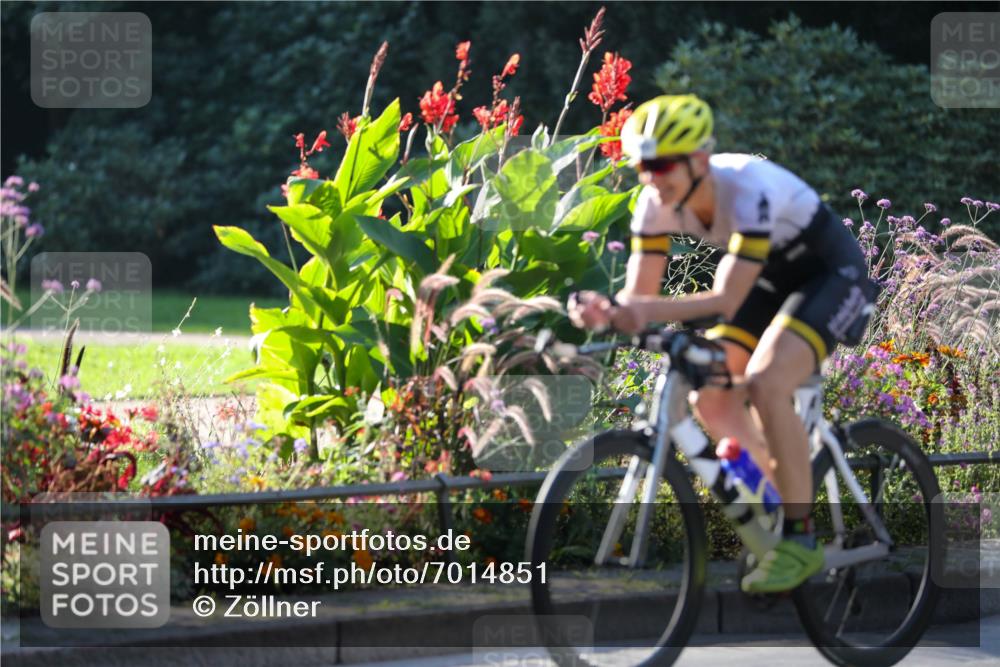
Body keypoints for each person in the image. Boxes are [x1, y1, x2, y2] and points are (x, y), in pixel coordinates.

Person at [569, 94, 877, 593]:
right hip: (769, 281)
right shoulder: (653, 203)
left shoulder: (745, 188)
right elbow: (639, 298)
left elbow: (727, 298)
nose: (651, 176)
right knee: (711, 395)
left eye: (662, 163)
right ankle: (778, 501)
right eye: (641, 165)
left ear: (698, 159)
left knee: (765, 382)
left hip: (828, 274)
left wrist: (639, 310)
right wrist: (612, 311)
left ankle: (800, 538)